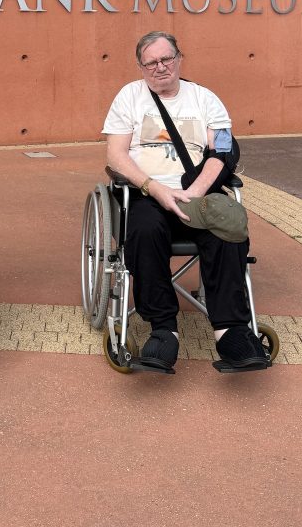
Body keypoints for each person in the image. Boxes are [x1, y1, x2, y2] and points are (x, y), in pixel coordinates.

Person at [103, 30, 269, 372]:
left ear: (179, 58)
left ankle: (230, 330)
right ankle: (164, 329)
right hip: (147, 193)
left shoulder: (205, 99)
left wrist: (196, 192)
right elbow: (116, 155)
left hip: (197, 193)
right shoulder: (129, 97)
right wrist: (155, 188)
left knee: (226, 229)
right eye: (151, 62)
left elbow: (222, 152)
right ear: (141, 67)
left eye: (166, 58)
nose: (160, 67)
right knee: (144, 231)